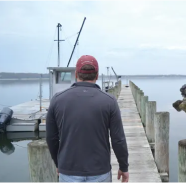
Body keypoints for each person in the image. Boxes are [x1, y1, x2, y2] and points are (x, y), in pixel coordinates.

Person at [46, 55, 129, 183]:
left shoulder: (57, 100)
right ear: (97, 76)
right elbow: (118, 140)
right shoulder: (109, 101)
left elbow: (51, 138)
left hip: (68, 171)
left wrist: (58, 163)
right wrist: (123, 167)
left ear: (76, 74)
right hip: (100, 171)